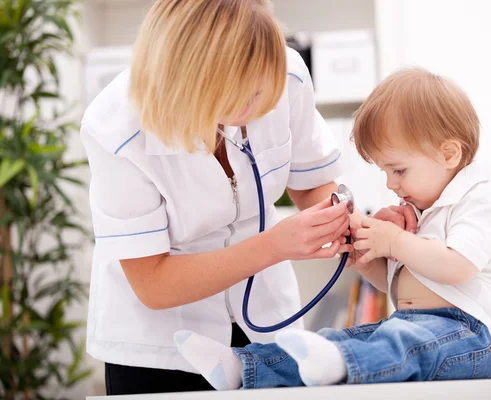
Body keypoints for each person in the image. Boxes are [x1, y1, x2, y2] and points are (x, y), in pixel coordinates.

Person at [81, 0, 418, 395]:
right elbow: (153, 282)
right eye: (240, 97)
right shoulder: (116, 127)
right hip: (160, 346)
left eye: (263, 93)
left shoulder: (286, 73)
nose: (255, 108)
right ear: (189, 79)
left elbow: (311, 181)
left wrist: (351, 221)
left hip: (268, 324)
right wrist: (275, 246)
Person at [174, 67, 491, 389]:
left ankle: (333, 366)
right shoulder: (420, 212)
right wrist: (369, 257)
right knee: (342, 338)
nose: (390, 184)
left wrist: (395, 241)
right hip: (420, 327)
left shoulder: (481, 198)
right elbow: (399, 285)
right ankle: (245, 367)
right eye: (385, 172)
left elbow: (457, 267)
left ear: (449, 154)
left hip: (473, 337)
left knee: (397, 343)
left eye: (399, 170)